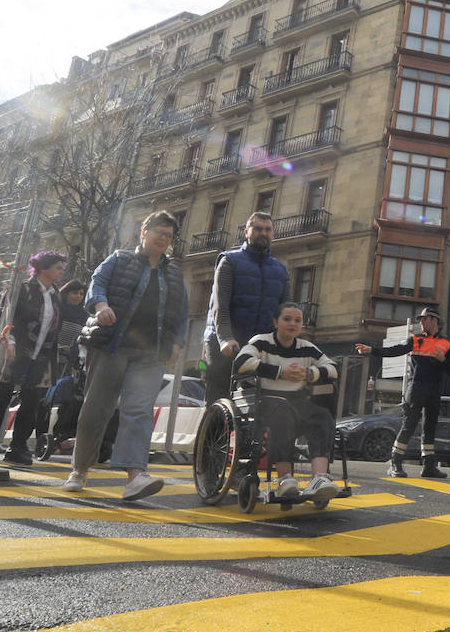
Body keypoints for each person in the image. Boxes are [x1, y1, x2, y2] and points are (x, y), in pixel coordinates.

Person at [62, 211, 188, 501]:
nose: (163, 239)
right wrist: (101, 306)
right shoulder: (119, 259)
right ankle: (79, 470)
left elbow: (181, 311)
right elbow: (97, 283)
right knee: (97, 409)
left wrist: (177, 342)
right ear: (144, 231)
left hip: (150, 353)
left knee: (139, 411)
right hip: (111, 346)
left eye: (169, 236)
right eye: (159, 232)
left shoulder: (174, 272)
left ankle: (134, 476)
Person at [234, 302, 340, 504]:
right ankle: (285, 479)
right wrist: (280, 372)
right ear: (276, 322)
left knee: (322, 416)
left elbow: (333, 368)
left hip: (297, 400)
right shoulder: (261, 342)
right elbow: (241, 363)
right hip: (265, 398)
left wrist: (310, 373)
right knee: (282, 415)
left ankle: (319, 478)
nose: (293, 324)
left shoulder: (307, 348)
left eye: (297, 320)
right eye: (287, 319)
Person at [355, 307, 450, 478]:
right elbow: (395, 350)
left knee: (430, 427)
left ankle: (429, 466)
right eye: (420, 319)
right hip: (416, 387)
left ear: (434, 320)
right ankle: (395, 463)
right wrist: (372, 350)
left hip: (435, 389)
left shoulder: (446, 343)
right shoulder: (415, 339)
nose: (421, 322)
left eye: (424, 319)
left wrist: (444, 360)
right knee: (410, 425)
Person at [203, 212, 289, 404]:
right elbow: (220, 304)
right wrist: (225, 338)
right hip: (223, 343)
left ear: (273, 234)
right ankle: (210, 432)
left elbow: (285, 312)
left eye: (268, 229)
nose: (263, 233)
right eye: (258, 229)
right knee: (218, 400)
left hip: (257, 345)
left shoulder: (281, 270)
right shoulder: (229, 261)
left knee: (255, 403)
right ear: (247, 232)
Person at [0, 251, 68, 466]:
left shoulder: (56, 295)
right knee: (2, 398)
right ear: (43, 268)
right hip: (15, 351)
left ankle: (18, 447)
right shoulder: (23, 289)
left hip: (42, 356)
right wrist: (10, 340)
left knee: (31, 402)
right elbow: (6, 316)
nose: (62, 272)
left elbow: (55, 325)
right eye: (58, 268)